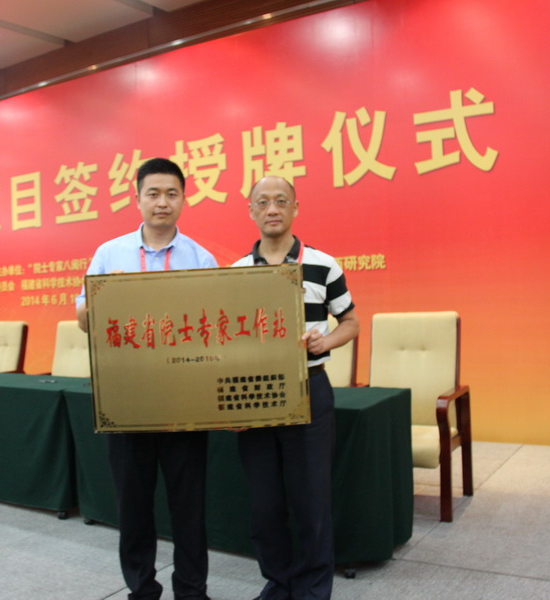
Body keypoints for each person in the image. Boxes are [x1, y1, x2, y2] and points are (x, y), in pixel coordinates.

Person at [76, 157, 216, 600]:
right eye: (153, 193)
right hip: (127, 399)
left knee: (188, 506)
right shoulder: (109, 254)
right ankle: (141, 589)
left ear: (183, 199)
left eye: (171, 193)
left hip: (185, 399)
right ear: (137, 199)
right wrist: (107, 298)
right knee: (133, 504)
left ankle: (192, 591)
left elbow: (215, 325)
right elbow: (84, 319)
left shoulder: (201, 258)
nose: (162, 202)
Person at [232, 175, 359, 600]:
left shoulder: (323, 264)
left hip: (310, 389)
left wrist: (327, 341)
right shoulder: (235, 273)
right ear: (251, 210)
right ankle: (279, 583)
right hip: (254, 396)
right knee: (264, 503)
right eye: (263, 202)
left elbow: (351, 322)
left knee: (311, 501)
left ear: (295, 208)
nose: (272, 209)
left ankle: (312, 589)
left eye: (281, 201)